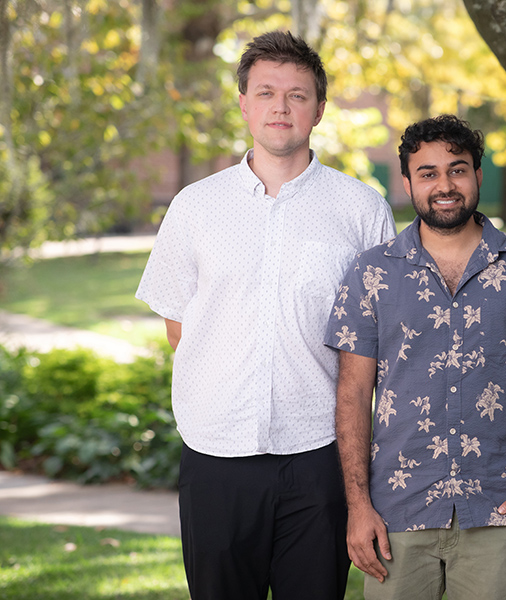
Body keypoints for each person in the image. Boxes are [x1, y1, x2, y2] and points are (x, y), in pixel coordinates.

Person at [135, 31, 395, 600]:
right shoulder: (195, 207)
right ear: (244, 103)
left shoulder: (361, 209)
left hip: (318, 456)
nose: (281, 106)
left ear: (319, 109)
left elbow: (377, 337)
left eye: (297, 95)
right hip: (216, 454)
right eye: (266, 92)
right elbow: (179, 325)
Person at [325, 114, 506, 600]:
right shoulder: (372, 273)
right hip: (397, 509)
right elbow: (352, 392)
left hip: (496, 504)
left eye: (457, 169)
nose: (444, 185)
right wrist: (357, 506)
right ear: (409, 182)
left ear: (478, 175)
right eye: (428, 173)